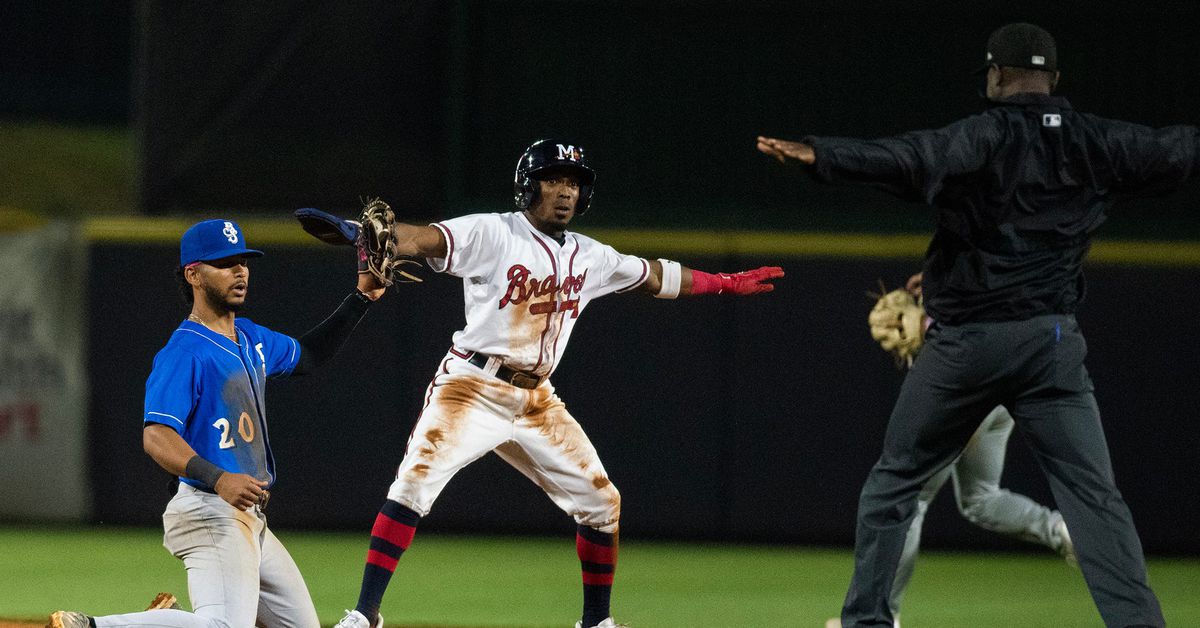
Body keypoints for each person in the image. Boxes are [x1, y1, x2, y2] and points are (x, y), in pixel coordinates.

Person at [758, 22, 1190, 628]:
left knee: (894, 485)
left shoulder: (984, 135)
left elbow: (909, 158)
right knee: (1096, 501)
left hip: (967, 348)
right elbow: (1176, 148)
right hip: (1051, 344)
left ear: (994, 75)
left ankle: (867, 623)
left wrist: (824, 155)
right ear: (1054, 81)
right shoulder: (1098, 141)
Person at [329, 139, 783, 628]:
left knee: (602, 503)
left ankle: (596, 622)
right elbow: (423, 239)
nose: (565, 191)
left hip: (537, 400)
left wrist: (723, 282)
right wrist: (372, 235)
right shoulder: (493, 231)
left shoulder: (592, 256)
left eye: (573, 182)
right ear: (529, 185)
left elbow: (655, 276)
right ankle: (365, 614)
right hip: (472, 385)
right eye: (553, 179)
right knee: (413, 483)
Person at [49, 219, 386, 628]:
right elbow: (156, 436)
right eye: (225, 263)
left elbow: (310, 354)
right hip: (207, 507)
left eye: (243, 261)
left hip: (248, 519)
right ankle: (91, 626)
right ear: (194, 274)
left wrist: (363, 297)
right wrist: (219, 477)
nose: (240, 271)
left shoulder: (249, 337)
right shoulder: (184, 351)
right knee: (224, 626)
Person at [826, 273, 1076, 628]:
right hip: (1004, 394)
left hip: (964, 398)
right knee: (981, 497)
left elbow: (950, 327)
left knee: (910, 501)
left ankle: (885, 616)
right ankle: (1063, 531)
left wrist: (925, 310)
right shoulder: (998, 276)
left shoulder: (951, 291)